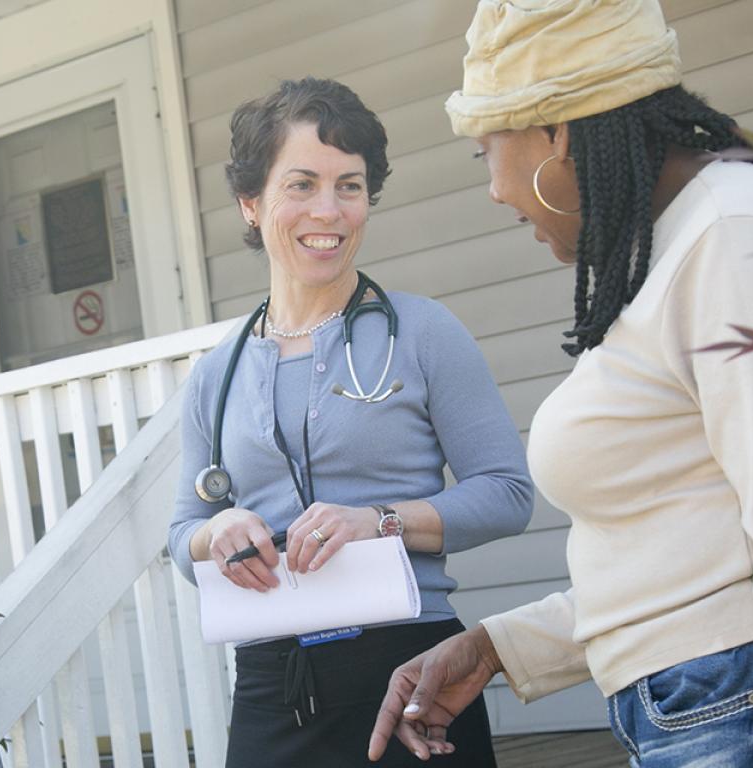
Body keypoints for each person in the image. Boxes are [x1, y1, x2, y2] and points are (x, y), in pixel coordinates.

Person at [369, 2, 753, 766]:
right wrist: (500, 646)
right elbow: (689, 557)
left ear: (556, 130)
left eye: (485, 150)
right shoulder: (676, 250)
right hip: (717, 698)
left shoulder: (742, 236)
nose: (494, 191)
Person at [169, 77, 535, 768]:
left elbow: (509, 494)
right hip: (274, 690)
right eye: (301, 185)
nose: (329, 210)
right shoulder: (216, 375)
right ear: (251, 204)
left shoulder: (424, 334)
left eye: (351, 185)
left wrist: (379, 520)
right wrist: (216, 531)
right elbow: (181, 538)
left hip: (416, 672)